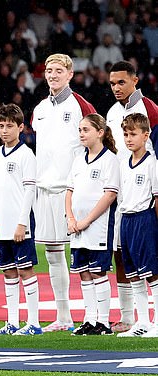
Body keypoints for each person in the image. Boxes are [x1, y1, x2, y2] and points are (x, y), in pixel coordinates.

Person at [31, 53, 96, 332]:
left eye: (59, 70)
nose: (53, 75)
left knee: (84, 253)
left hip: (73, 190)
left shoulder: (80, 105)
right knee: (53, 254)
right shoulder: (40, 109)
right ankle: (63, 316)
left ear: (70, 74)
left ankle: (93, 316)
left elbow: (96, 141)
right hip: (45, 189)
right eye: (49, 70)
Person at [105, 60, 158, 333]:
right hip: (121, 194)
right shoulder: (112, 112)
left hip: (145, 194)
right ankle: (132, 318)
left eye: (121, 82)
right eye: (112, 83)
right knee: (122, 255)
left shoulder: (150, 109)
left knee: (151, 261)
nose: (116, 87)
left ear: (135, 80)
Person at [0, 104, 41, 336]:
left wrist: (22, 223)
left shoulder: (26, 154)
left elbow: (29, 191)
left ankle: (34, 323)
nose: (5, 130)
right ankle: (12, 322)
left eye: (10, 126)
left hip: (20, 223)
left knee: (25, 270)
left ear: (21, 127)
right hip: (2, 224)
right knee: (8, 271)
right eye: (1, 126)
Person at [66, 114, 119, 336]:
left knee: (98, 272)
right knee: (84, 273)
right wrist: (70, 218)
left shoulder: (110, 160)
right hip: (76, 227)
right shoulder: (78, 159)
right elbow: (69, 191)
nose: (81, 134)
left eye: (86, 129)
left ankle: (104, 322)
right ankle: (89, 319)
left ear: (100, 132)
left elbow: (109, 195)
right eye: (79, 130)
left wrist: (86, 220)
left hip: (98, 226)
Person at [116, 113, 158, 338]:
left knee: (152, 273)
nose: (129, 138)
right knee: (133, 274)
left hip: (145, 218)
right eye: (125, 134)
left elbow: (157, 196)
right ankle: (142, 321)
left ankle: (157, 322)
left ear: (146, 135)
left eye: (133, 134)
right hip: (127, 220)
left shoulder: (152, 163)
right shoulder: (123, 164)